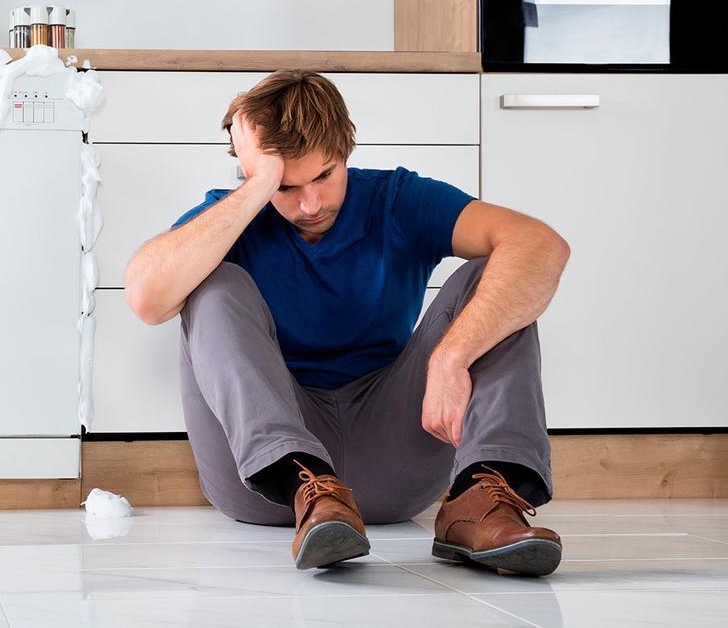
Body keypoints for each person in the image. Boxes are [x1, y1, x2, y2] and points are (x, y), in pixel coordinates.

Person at [123, 70, 571, 576]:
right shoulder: (233, 214)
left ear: (346, 150)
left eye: (324, 176)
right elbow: (146, 300)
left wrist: (452, 355)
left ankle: (483, 501)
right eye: (287, 186)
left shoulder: (396, 199)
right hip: (268, 485)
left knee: (498, 277)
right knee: (211, 281)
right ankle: (309, 486)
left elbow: (541, 246)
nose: (309, 204)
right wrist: (257, 187)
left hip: (392, 455)